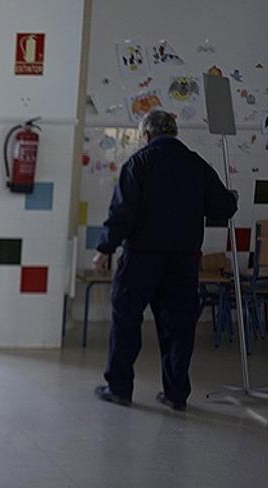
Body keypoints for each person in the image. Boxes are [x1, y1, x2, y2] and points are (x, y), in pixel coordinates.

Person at [92, 109, 237, 410]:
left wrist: (105, 248)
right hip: (183, 260)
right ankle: (175, 394)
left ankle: (119, 388)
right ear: (173, 133)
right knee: (179, 327)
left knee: (127, 320)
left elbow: (122, 212)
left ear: (146, 135)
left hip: (141, 258)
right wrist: (231, 198)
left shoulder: (139, 163)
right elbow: (222, 207)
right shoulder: (197, 164)